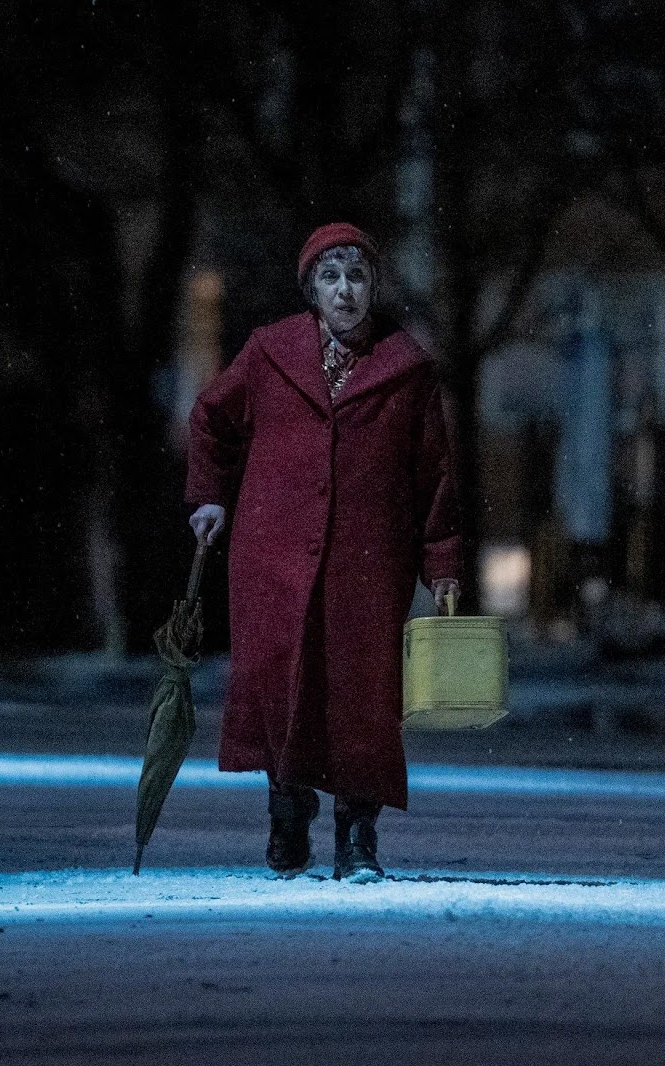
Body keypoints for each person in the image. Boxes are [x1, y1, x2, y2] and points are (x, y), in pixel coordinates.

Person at [185, 223, 462, 882]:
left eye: (357, 276)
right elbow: (210, 419)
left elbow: (434, 476)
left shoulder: (407, 370)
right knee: (281, 683)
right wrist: (210, 496)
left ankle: (357, 834)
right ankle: (287, 807)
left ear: (373, 287)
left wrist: (443, 562)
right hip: (272, 555)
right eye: (331, 277)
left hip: (368, 563)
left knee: (363, 695)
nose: (345, 291)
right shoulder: (270, 353)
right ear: (311, 288)